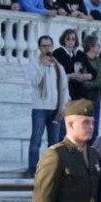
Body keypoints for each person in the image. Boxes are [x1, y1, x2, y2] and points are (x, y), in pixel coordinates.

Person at [26, 35, 69, 177]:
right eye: (44, 46)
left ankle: (52, 171)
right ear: (39, 48)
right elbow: (34, 82)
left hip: (55, 108)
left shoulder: (58, 65)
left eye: (49, 45)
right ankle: (32, 170)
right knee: (36, 140)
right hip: (40, 107)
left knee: (54, 143)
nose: (47, 48)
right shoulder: (34, 63)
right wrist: (42, 67)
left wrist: (63, 107)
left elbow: (63, 87)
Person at [70, 35, 101, 142]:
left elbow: (100, 79)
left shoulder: (99, 60)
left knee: (94, 129)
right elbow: (79, 78)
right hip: (84, 96)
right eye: (98, 45)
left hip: (96, 96)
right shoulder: (81, 59)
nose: (100, 47)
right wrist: (91, 81)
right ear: (91, 46)